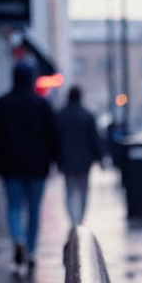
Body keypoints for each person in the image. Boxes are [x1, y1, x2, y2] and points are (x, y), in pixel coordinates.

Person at [0, 63, 57, 270]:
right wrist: (55, 161)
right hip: (37, 167)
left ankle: (18, 239)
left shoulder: (2, 104)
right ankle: (31, 251)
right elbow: (53, 136)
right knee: (34, 210)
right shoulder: (42, 105)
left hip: (10, 166)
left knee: (14, 206)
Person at [53, 86, 104, 227]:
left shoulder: (61, 115)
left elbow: (55, 139)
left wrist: (55, 159)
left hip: (67, 160)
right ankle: (80, 220)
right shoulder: (87, 115)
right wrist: (100, 158)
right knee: (83, 191)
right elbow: (95, 138)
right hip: (84, 160)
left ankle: (73, 220)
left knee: (70, 190)